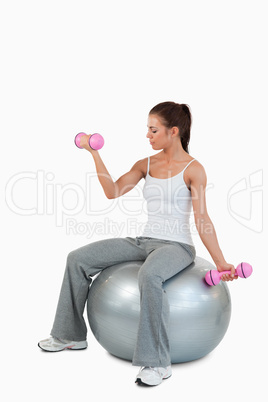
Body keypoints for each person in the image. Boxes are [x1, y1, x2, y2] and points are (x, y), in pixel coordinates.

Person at [38, 101, 237, 386]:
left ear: (174, 132)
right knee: (76, 258)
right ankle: (69, 335)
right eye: (147, 129)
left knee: (150, 274)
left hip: (177, 246)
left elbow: (203, 219)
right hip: (144, 241)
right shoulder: (145, 164)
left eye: (153, 130)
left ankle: (157, 363)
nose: (147, 135)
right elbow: (112, 191)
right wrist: (94, 154)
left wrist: (220, 261)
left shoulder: (195, 170)